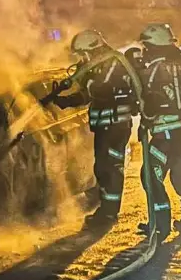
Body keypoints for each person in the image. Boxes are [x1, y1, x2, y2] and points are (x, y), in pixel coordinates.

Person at [42, 29, 137, 227]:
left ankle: (109, 214)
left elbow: (99, 88)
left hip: (116, 126)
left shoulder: (113, 62)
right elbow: (87, 95)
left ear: (93, 49)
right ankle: (106, 208)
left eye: (84, 54)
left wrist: (82, 76)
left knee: (111, 169)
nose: (82, 59)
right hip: (104, 126)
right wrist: (64, 101)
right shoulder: (100, 66)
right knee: (101, 168)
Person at [125, 23, 181, 239]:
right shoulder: (178, 64)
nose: (145, 50)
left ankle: (160, 224)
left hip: (166, 136)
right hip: (180, 134)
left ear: (156, 45)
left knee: (151, 176)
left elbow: (145, 100)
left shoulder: (159, 69)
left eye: (147, 46)